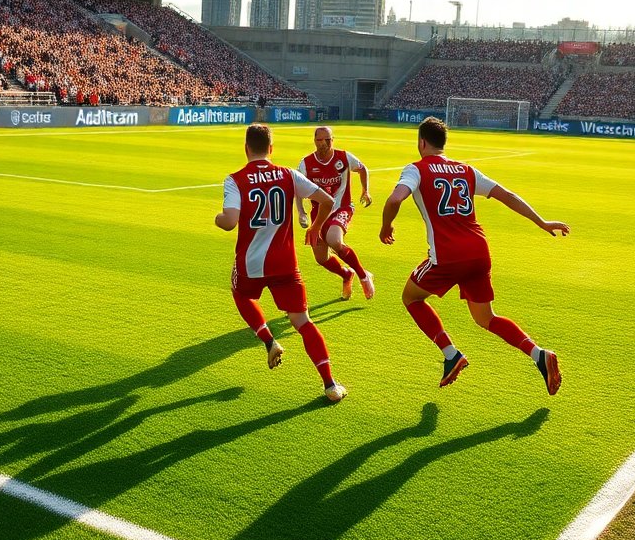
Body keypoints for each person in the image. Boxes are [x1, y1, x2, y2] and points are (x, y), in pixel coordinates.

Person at [379, 117, 567, 395]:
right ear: (444, 143)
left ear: (421, 142)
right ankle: (539, 355)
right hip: (479, 253)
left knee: (411, 297)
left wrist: (386, 226)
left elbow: (395, 199)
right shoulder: (466, 170)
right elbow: (506, 194)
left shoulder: (416, 169)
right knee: (485, 318)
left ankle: (451, 354)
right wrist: (542, 222)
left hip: (447, 256)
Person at [215, 124, 348, 403]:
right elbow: (326, 200)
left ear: (246, 148)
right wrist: (315, 227)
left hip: (251, 263)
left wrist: (217, 218)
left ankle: (269, 340)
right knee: (303, 322)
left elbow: (229, 222)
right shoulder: (288, 174)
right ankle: (330, 384)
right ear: (271, 149)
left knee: (239, 293)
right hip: (285, 263)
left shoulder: (235, 179)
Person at [297, 126, 375, 301]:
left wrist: (365, 191)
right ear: (314, 140)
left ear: (333, 139)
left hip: (342, 207)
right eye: (320, 140)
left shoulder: (344, 157)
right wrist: (301, 211)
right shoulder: (306, 164)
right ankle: (346, 274)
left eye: (328, 139)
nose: (324, 143)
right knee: (321, 258)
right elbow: (297, 189)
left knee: (335, 240)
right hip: (319, 214)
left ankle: (364, 275)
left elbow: (362, 169)